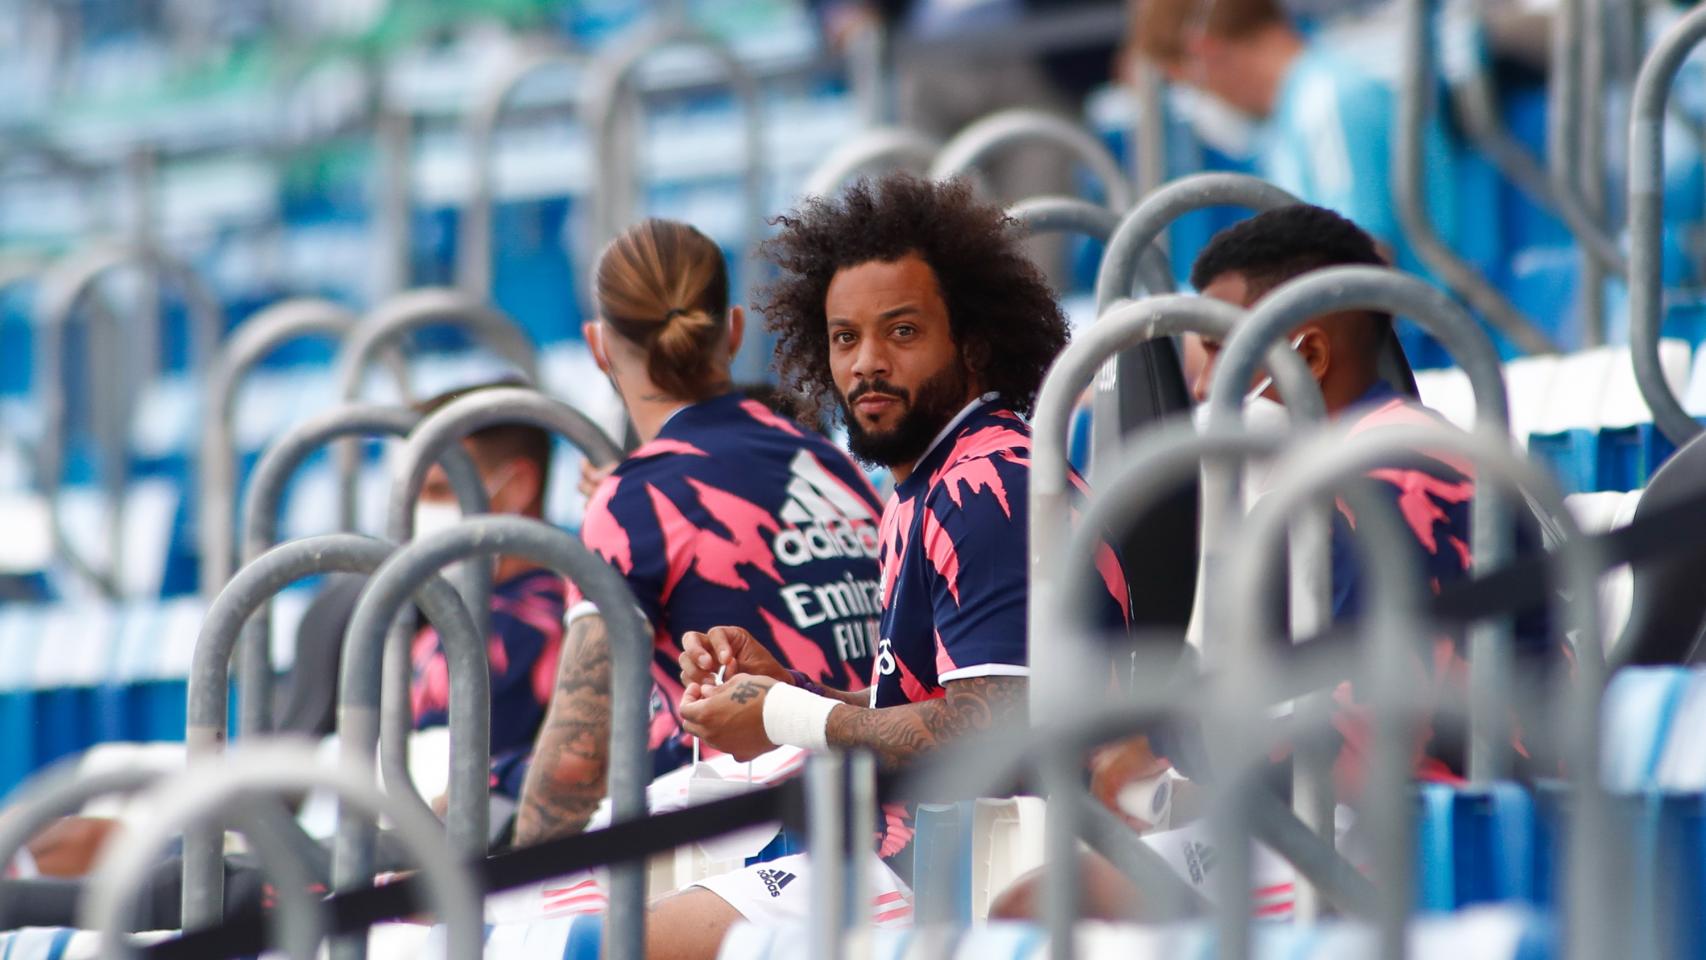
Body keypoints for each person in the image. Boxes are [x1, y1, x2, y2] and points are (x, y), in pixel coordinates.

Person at [993, 205, 1559, 919]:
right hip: (1377, 815)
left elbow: (1361, 742)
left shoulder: (1385, 482)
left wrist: (1163, 739)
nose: (1203, 388)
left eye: (1217, 350)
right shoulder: (1364, 457)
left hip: (1425, 839)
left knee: (1042, 906)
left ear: (1309, 355)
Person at [634, 174, 1130, 959]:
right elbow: (939, 703)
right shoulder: (933, 479)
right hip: (910, 849)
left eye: (901, 332)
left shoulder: (984, 486)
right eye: (844, 338)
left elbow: (993, 731)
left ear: (972, 344)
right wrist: (789, 691)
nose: (866, 363)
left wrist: (783, 716)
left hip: (969, 866)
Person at [514, 219, 885, 846]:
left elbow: (575, 765)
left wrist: (509, 885)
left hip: (754, 836)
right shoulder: (835, 464)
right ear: (733, 331)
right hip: (888, 806)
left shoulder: (635, 501)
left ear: (599, 348)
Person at [1122, 0, 1498, 287]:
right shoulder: (1296, 110)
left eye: (1193, 85)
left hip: (1423, 343)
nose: (1206, 99)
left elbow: (1359, 263)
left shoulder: (1327, 101)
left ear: (1207, 52)